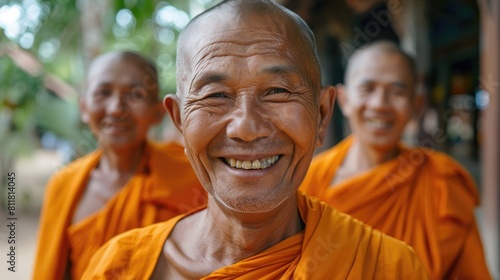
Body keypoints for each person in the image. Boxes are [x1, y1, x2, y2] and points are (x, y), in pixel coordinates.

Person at [82, 1, 429, 279]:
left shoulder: (389, 267)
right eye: (216, 95)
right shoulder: (119, 267)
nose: (246, 127)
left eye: (277, 91)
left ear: (322, 114)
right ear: (179, 120)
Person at [300, 40, 492, 279]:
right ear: (343, 99)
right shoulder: (308, 181)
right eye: (367, 89)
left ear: (416, 105)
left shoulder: (442, 182)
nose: (380, 104)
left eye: (397, 91)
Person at [33, 51, 207, 280]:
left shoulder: (192, 175)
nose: (117, 108)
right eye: (103, 93)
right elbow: (53, 270)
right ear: (84, 107)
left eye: (135, 95)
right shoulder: (64, 185)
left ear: (157, 112)